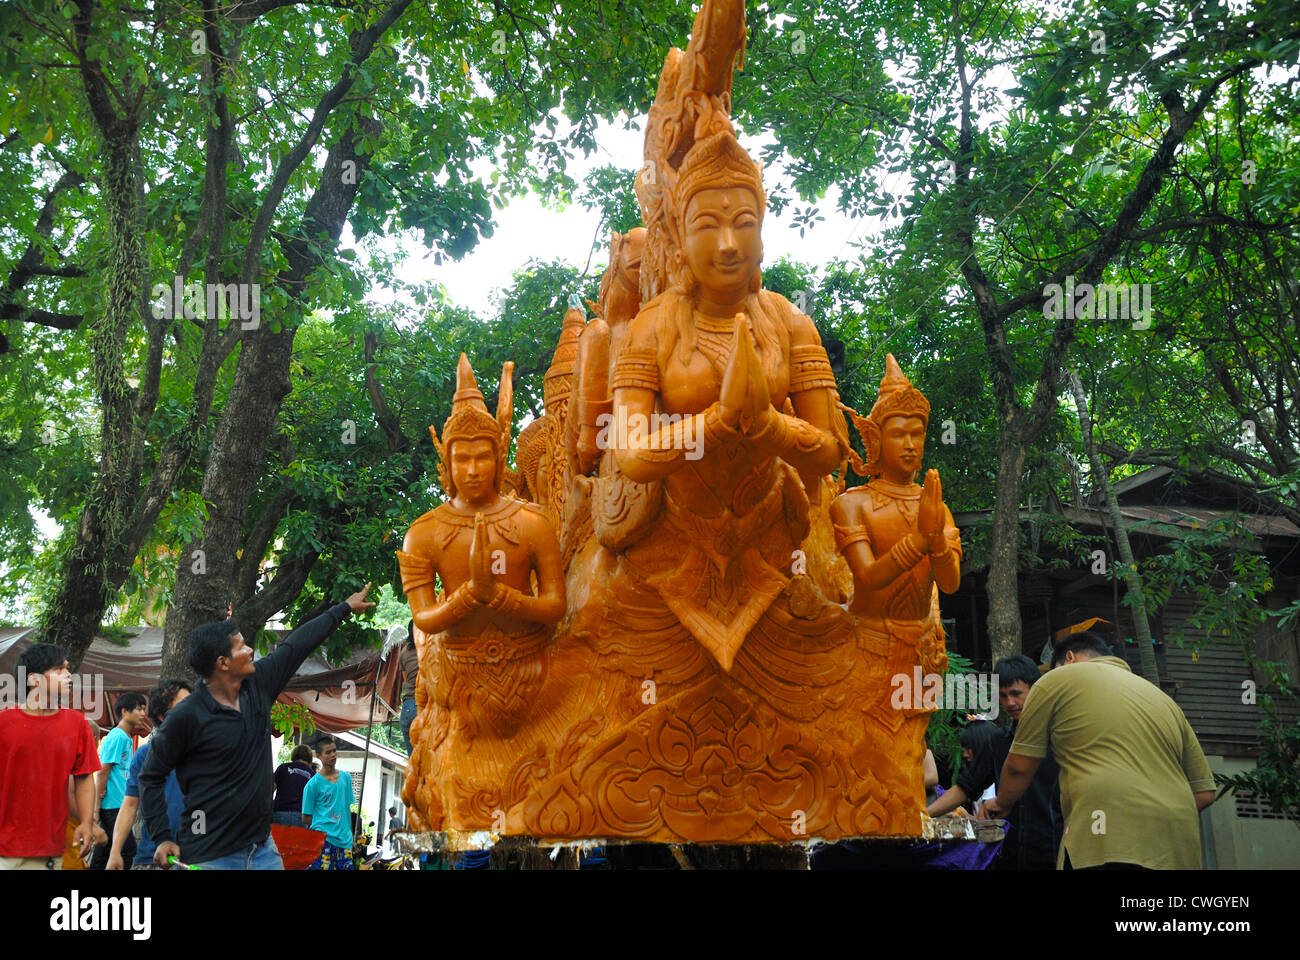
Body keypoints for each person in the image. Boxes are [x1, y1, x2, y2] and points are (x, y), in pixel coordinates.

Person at [141, 584, 375, 869]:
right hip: (211, 855)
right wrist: (162, 837)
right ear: (223, 662)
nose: (250, 650)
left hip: (263, 850)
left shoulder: (259, 684)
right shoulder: (186, 716)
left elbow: (297, 644)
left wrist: (344, 607)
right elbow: (150, 776)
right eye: (242, 646)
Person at [983, 631, 1216, 869]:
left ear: (1070, 659)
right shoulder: (1164, 700)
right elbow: (1205, 793)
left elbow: (1019, 767)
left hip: (1104, 838)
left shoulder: (1060, 678)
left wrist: (1001, 805)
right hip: (1177, 847)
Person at [927, 656, 1064, 869]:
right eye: (1003, 696)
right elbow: (966, 787)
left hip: (1056, 853)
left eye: (1016, 694)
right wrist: (923, 817)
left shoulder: (1061, 739)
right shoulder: (997, 743)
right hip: (1009, 854)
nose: (1009, 702)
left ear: (1036, 691)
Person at [0, 644, 101, 870]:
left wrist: (86, 822)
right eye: (59, 670)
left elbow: (84, 778)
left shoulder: (77, 725)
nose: (68, 675)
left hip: (48, 850)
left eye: (68, 669)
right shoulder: (3, 724)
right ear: (34, 680)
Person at [107, 679, 192, 870]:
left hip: (201, 859)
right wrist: (115, 852)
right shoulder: (145, 754)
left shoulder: (208, 753)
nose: (193, 711)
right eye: (184, 705)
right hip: (153, 858)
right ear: (163, 716)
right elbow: (129, 805)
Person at [89, 691, 148, 869]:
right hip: (112, 806)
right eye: (138, 709)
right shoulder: (117, 736)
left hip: (118, 805)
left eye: (144, 709)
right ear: (124, 712)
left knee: (105, 850)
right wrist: (96, 808)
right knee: (127, 849)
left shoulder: (126, 738)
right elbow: (103, 771)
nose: (143, 714)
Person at [301, 736, 354, 870]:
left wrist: (350, 834)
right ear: (318, 756)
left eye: (334, 751)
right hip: (323, 840)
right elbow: (306, 817)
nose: (333, 755)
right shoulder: (312, 785)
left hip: (345, 840)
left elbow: (347, 810)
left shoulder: (346, 778)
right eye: (328, 752)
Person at [272, 744, 315, 827]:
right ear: (310, 759)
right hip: (301, 816)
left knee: (278, 840)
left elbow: (270, 789)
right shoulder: (313, 775)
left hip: (280, 812)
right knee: (297, 840)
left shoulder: (283, 768)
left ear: (294, 756)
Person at [398, 631, 418, 754]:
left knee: (414, 762)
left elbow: (405, 680)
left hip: (407, 707)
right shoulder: (428, 647)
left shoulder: (404, 652)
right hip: (423, 706)